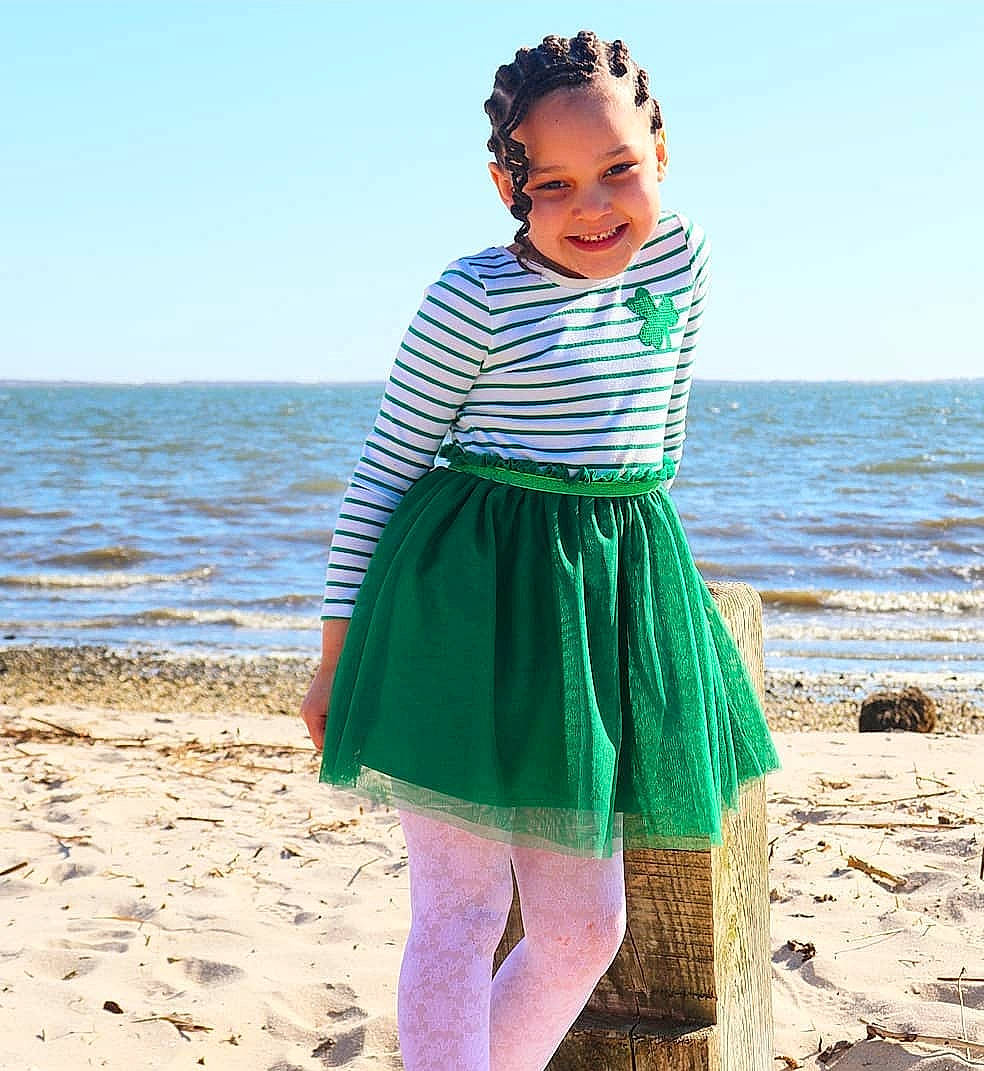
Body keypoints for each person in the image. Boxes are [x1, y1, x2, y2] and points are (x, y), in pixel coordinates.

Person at [300, 30, 781, 1071]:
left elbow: (661, 441)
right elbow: (383, 471)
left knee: (581, 930)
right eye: (553, 185)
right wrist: (339, 655)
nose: (594, 207)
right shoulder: (470, 298)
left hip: (602, 596)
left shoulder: (683, 258)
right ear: (505, 184)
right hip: (463, 604)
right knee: (463, 913)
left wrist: (645, 598)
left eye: (618, 170)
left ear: (661, 146)